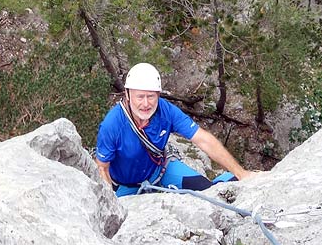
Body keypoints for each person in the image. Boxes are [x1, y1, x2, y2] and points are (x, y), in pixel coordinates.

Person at [95, 62, 254, 197]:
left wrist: (241, 173)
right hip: (126, 186)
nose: (145, 104)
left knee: (208, 191)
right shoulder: (112, 125)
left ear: (158, 95)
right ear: (128, 96)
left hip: (162, 172)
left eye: (151, 96)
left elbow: (203, 139)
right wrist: (111, 202)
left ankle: (231, 178)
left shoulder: (166, 111)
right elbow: (103, 168)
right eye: (140, 97)